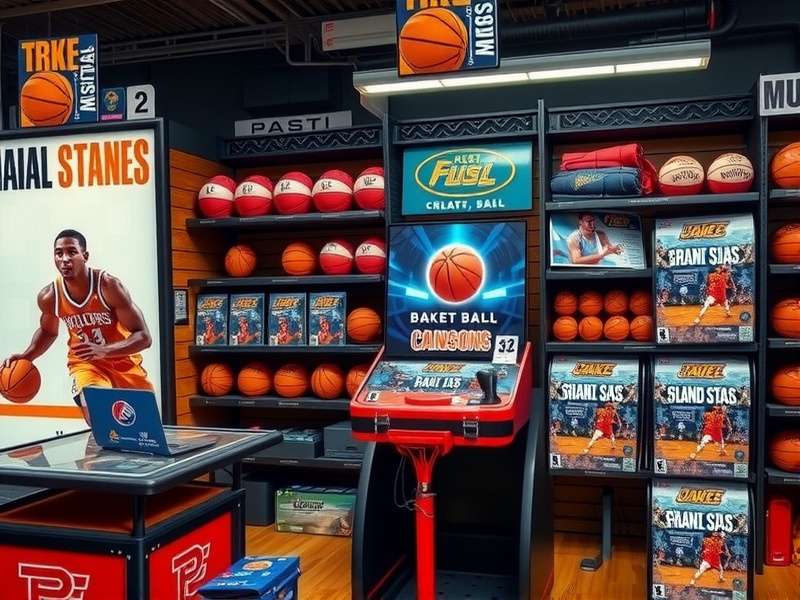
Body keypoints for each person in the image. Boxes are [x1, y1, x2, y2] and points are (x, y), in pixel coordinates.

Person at [3, 230, 152, 423]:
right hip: (85, 364)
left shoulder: (108, 286)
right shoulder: (49, 296)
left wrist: (103, 350)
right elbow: (48, 331)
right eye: (59, 253)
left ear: (85, 256)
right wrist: (28, 355)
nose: (64, 259)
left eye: (71, 252)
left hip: (123, 362)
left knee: (144, 430)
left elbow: (144, 337)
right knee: (99, 412)